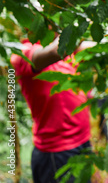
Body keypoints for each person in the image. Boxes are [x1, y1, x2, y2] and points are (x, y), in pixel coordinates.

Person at [10, 35, 94, 183]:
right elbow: (54, 51)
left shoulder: (69, 51)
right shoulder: (22, 52)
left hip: (81, 141)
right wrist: (73, 27)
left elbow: (97, 48)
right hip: (56, 152)